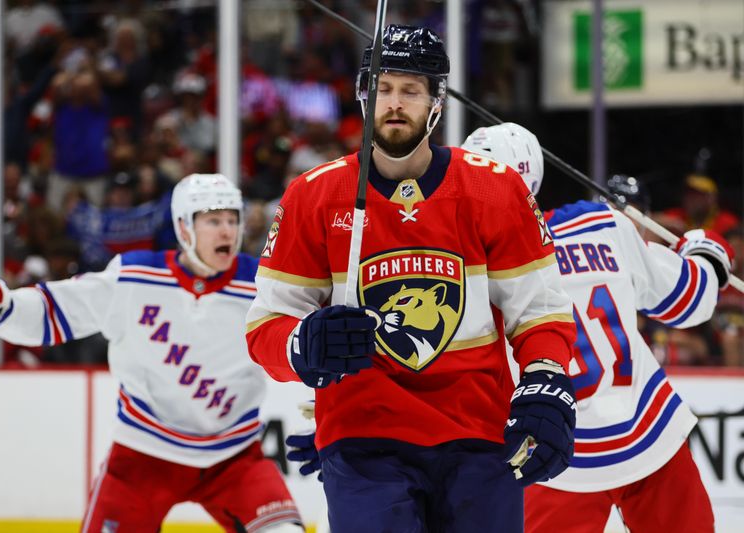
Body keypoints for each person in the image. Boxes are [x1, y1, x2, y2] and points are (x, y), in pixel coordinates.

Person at [246, 25, 578, 532]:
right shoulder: (312, 197)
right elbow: (266, 325)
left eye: (410, 90)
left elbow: (539, 309)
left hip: (479, 432)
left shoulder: (494, 190)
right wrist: (302, 344)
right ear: (363, 97)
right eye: (381, 89)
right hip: (362, 436)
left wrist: (545, 381)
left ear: (436, 102)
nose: (394, 104)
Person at [0, 174, 303, 533]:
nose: (227, 231)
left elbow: (306, 338)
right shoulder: (134, 276)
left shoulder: (262, 284)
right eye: (213, 221)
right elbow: (56, 310)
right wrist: (0, 307)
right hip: (142, 457)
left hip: (235, 459)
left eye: (233, 220)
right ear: (184, 227)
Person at [461, 123, 731, 532]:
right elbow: (688, 300)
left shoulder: (468, 265)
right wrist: (707, 252)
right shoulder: (602, 224)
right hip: (649, 437)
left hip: (550, 452)